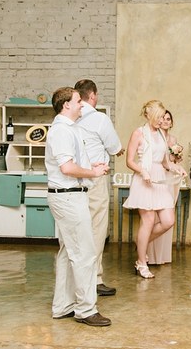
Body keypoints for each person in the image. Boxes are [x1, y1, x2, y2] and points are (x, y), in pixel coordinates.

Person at [45, 86, 111, 326]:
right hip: (69, 197)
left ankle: (63, 306)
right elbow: (67, 168)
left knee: (67, 253)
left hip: (69, 195)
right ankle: (86, 310)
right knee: (84, 254)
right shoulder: (62, 130)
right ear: (66, 105)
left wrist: (90, 166)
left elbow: (72, 163)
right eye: (77, 101)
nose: (82, 104)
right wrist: (93, 172)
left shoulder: (68, 129)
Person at [123, 100, 186, 279]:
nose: (161, 121)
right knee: (148, 221)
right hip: (144, 179)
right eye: (158, 117)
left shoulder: (161, 134)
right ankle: (142, 263)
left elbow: (165, 161)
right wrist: (142, 171)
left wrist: (176, 168)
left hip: (160, 178)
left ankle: (141, 242)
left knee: (168, 221)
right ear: (150, 116)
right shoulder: (138, 133)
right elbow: (129, 161)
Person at [74, 79, 123, 297]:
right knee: (97, 228)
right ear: (92, 95)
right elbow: (114, 147)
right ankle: (94, 279)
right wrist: (117, 150)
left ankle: (77, 279)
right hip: (94, 179)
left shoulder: (68, 118)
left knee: (77, 230)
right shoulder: (99, 118)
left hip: (73, 180)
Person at [147, 110, 182, 265]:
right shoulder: (154, 138)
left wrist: (176, 157)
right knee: (154, 216)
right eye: (164, 118)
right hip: (157, 177)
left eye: (169, 119)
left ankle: (162, 256)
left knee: (168, 214)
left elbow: (171, 161)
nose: (166, 121)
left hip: (170, 179)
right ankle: (146, 249)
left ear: (171, 122)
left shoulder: (173, 139)